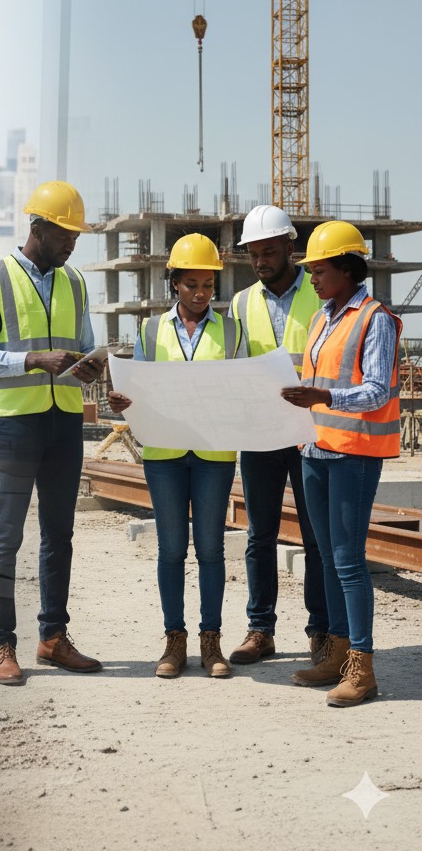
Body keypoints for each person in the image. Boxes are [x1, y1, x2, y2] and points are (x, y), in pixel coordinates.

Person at [0, 180, 104, 686]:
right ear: (37, 228)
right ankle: (2, 644)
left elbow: (85, 346)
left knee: (59, 535)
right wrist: (30, 360)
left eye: (75, 237)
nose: (71, 244)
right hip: (13, 423)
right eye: (64, 234)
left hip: (64, 421)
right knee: (5, 536)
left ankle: (53, 637)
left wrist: (91, 366)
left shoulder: (76, 283)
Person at [107, 234, 243, 680]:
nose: (201, 293)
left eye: (208, 285)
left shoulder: (231, 331)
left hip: (213, 453)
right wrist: (124, 401)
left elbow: (240, 388)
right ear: (174, 285)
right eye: (191, 285)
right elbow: (141, 388)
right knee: (170, 551)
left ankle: (211, 642)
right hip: (164, 453)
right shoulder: (150, 330)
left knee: (210, 550)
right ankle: (174, 641)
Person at [280, 221, 401, 708]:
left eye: (320, 270)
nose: (311, 278)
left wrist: (323, 396)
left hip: (353, 454)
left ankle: (362, 667)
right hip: (315, 450)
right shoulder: (322, 318)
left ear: (348, 269)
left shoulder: (376, 319)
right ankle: (335, 650)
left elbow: (374, 390)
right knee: (328, 557)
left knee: (349, 561)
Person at [228, 205, 327, 665]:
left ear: (291, 247)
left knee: (314, 536)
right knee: (259, 534)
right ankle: (260, 629)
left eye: (269, 251)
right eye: (254, 255)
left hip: (310, 431)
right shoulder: (242, 302)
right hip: (261, 431)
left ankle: (321, 630)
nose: (262, 261)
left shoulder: (322, 291)